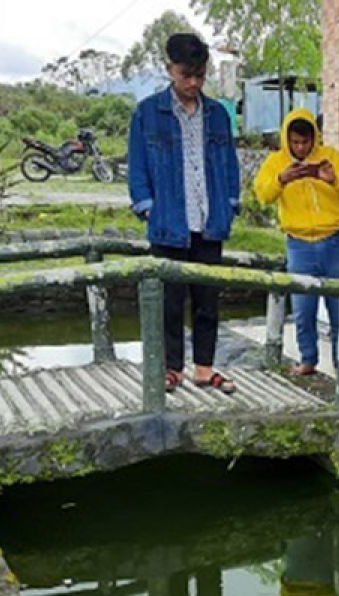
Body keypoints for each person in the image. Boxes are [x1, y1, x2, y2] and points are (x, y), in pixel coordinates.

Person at [128, 33, 241, 394]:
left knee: (208, 300)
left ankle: (204, 368)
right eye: (185, 75)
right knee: (170, 303)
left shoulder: (218, 114)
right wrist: (147, 209)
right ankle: (171, 368)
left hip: (210, 221)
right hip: (169, 223)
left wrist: (232, 203)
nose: (193, 83)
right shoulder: (147, 113)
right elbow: (137, 168)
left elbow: (230, 166)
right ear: (169, 70)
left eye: (199, 75)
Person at [252, 108, 339, 375]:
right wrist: (282, 179)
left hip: (335, 243)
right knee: (303, 309)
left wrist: (333, 179)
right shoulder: (276, 162)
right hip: (299, 245)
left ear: (315, 137)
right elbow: (262, 194)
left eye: (306, 141)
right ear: (287, 139)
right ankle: (308, 359)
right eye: (295, 142)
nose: (301, 148)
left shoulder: (330, 158)